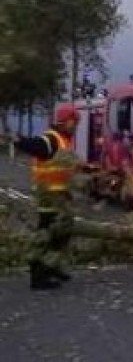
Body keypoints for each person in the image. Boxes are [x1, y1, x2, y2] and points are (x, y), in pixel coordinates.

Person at [14, 104, 81, 290]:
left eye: (76, 122)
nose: (75, 125)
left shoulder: (64, 140)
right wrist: (19, 140)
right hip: (49, 197)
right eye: (73, 122)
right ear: (63, 121)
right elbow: (36, 146)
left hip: (61, 197)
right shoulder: (52, 139)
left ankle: (52, 268)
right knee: (46, 237)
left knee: (61, 235)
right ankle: (38, 277)